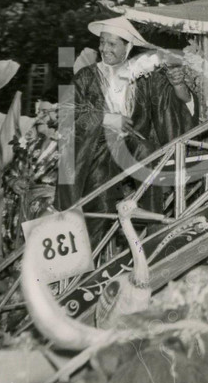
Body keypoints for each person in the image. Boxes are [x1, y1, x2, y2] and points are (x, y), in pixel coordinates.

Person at [56, 17, 196, 244]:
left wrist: (178, 84)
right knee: (100, 198)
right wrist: (105, 118)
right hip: (95, 149)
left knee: (148, 153)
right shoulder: (86, 77)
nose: (104, 49)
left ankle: (153, 235)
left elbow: (174, 104)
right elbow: (66, 114)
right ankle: (90, 261)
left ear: (127, 47)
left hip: (132, 144)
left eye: (112, 44)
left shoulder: (145, 77)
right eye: (102, 42)